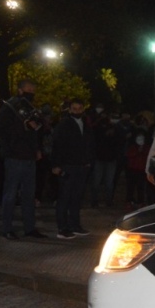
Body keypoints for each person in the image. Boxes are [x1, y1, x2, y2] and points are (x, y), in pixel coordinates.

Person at [0, 78, 47, 239]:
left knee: (29, 195)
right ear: (20, 90)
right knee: (11, 194)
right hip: (15, 156)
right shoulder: (9, 108)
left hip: (29, 157)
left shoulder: (30, 108)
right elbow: (0, 130)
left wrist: (37, 149)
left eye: (33, 90)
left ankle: (29, 228)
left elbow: (37, 131)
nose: (31, 92)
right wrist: (20, 132)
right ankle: (7, 228)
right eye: (28, 89)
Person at [51, 98, 94, 239]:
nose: (77, 111)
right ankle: (62, 228)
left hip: (81, 166)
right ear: (70, 110)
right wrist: (56, 165)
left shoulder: (85, 124)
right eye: (74, 109)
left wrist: (87, 161)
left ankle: (75, 225)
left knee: (76, 198)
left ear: (83, 109)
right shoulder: (63, 124)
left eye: (79, 109)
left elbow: (88, 144)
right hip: (67, 166)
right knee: (64, 197)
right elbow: (56, 145)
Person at [124, 130, 149, 209]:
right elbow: (129, 155)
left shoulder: (146, 147)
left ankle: (140, 202)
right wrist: (137, 151)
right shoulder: (132, 147)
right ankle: (129, 201)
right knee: (130, 187)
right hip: (132, 170)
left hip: (142, 171)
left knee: (140, 187)